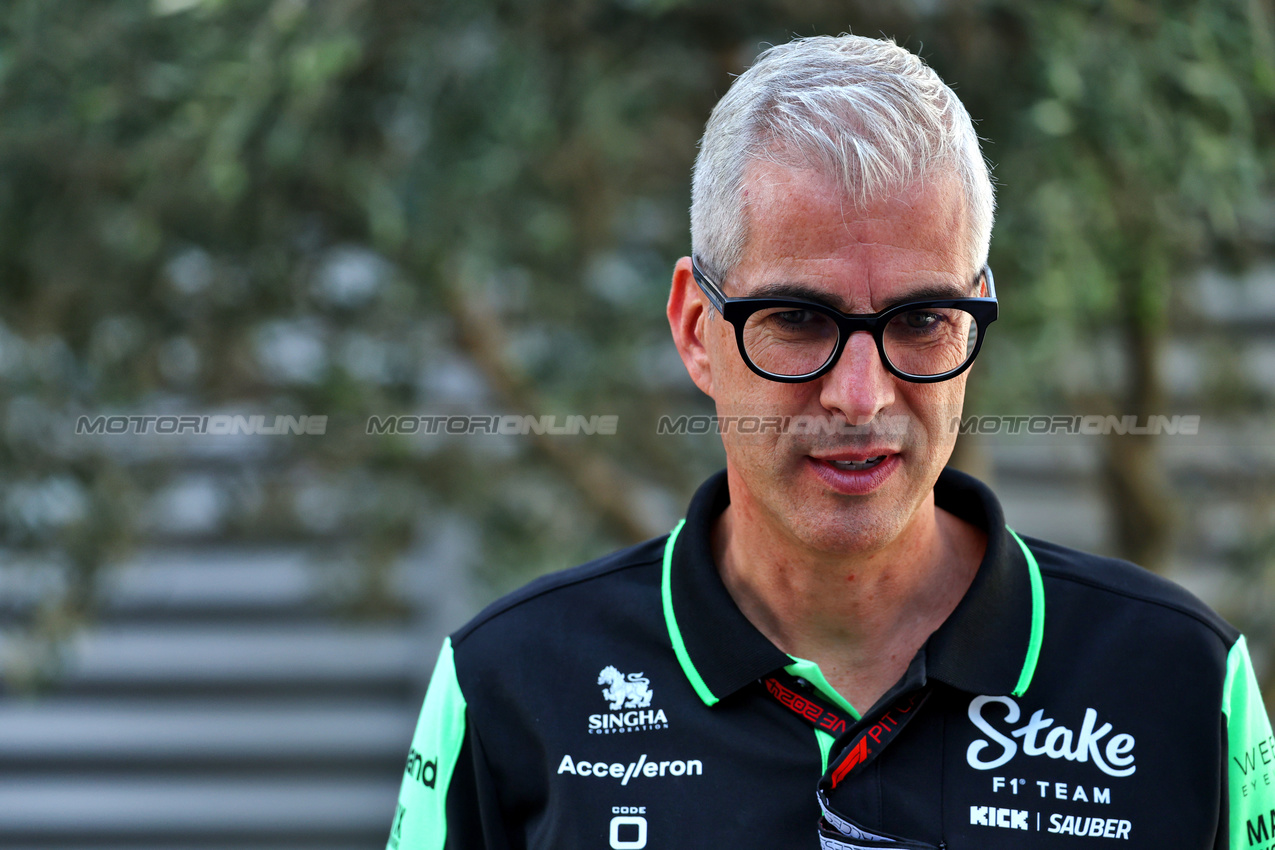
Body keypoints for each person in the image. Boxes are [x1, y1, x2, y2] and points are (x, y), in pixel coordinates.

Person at [388, 34, 1275, 849]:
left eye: (923, 318)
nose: (861, 397)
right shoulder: (508, 686)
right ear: (697, 329)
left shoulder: (1186, 685)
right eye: (799, 319)